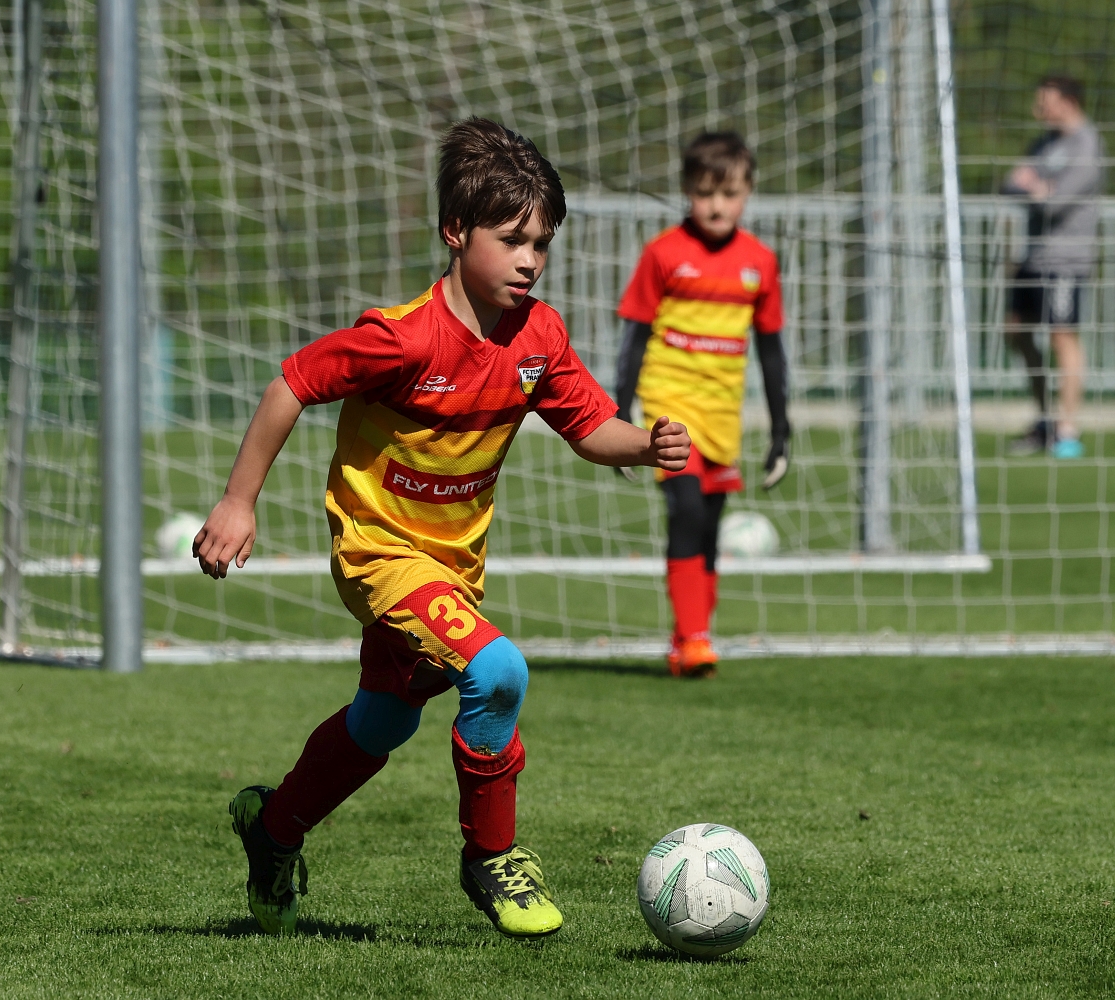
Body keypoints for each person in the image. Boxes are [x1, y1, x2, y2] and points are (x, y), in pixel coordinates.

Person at [191, 118, 691, 937]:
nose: (530, 260)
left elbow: (588, 426)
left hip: (452, 568)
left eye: (541, 243)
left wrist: (645, 443)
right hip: (378, 553)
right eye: (511, 240)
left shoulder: (538, 336)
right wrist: (237, 502)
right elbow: (291, 384)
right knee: (497, 672)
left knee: (382, 721)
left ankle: (273, 827)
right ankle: (491, 858)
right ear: (455, 232)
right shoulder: (400, 339)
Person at [613, 132, 788, 678]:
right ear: (687, 190)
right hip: (670, 404)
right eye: (705, 192)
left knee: (710, 524)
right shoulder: (663, 253)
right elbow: (634, 339)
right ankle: (694, 640)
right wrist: (619, 414)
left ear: (748, 192)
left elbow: (772, 351)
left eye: (729, 194)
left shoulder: (760, 261)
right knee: (686, 510)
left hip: (722, 412)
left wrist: (781, 432)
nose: (717, 206)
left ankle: (689, 637)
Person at [1002, 74, 1104, 459]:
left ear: (1068, 102)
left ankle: (1067, 428)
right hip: (1032, 257)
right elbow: (1010, 184)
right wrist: (1035, 188)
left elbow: (1055, 202)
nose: (1037, 110)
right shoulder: (1045, 143)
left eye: (1044, 102)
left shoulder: (1087, 144)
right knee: (1016, 333)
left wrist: (1037, 188)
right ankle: (1044, 418)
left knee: (1063, 337)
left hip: (1066, 260)